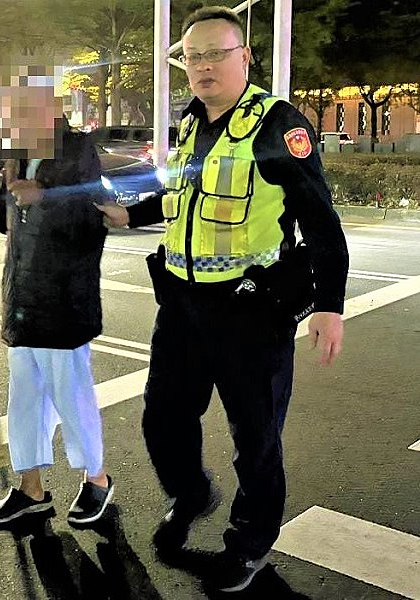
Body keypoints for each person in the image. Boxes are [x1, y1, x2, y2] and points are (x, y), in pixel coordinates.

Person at [97, 6, 349, 593]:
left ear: (245, 57)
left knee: (255, 439)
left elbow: (321, 221)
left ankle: (249, 544)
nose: (203, 66)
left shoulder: (277, 125)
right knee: (163, 417)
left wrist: (329, 305)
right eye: (193, 57)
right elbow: (182, 197)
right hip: (182, 308)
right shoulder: (190, 124)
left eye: (216, 53)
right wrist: (130, 214)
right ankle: (191, 494)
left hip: (250, 311)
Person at [0, 65, 114, 530]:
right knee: (25, 401)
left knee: (71, 396)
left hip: (64, 302)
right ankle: (31, 489)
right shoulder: (19, 159)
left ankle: (96, 479)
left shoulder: (76, 151)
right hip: (23, 298)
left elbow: (91, 217)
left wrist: (46, 196)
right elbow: (13, 218)